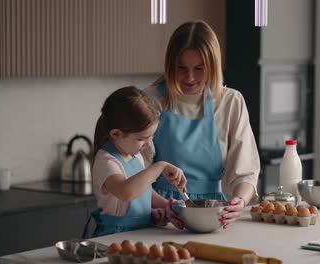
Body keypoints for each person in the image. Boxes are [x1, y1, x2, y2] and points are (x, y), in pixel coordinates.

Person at [143, 20, 260, 229]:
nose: (190, 77)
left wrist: (240, 201)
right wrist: (163, 207)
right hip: (159, 213)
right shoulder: (150, 101)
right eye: (181, 68)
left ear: (213, 66)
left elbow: (245, 170)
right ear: (170, 65)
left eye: (199, 68)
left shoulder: (230, 102)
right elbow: (135, 173)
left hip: (213, 214)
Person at [83, 86, 187, 238]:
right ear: (116, 134)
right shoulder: (106, 161)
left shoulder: (134, 154)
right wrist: (160, 166)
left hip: (141, 232)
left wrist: (163, 207)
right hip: (115, 237)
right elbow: (127, 192)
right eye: (141, 138)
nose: (147, 143)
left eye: (150, 137)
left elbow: (143, 190)